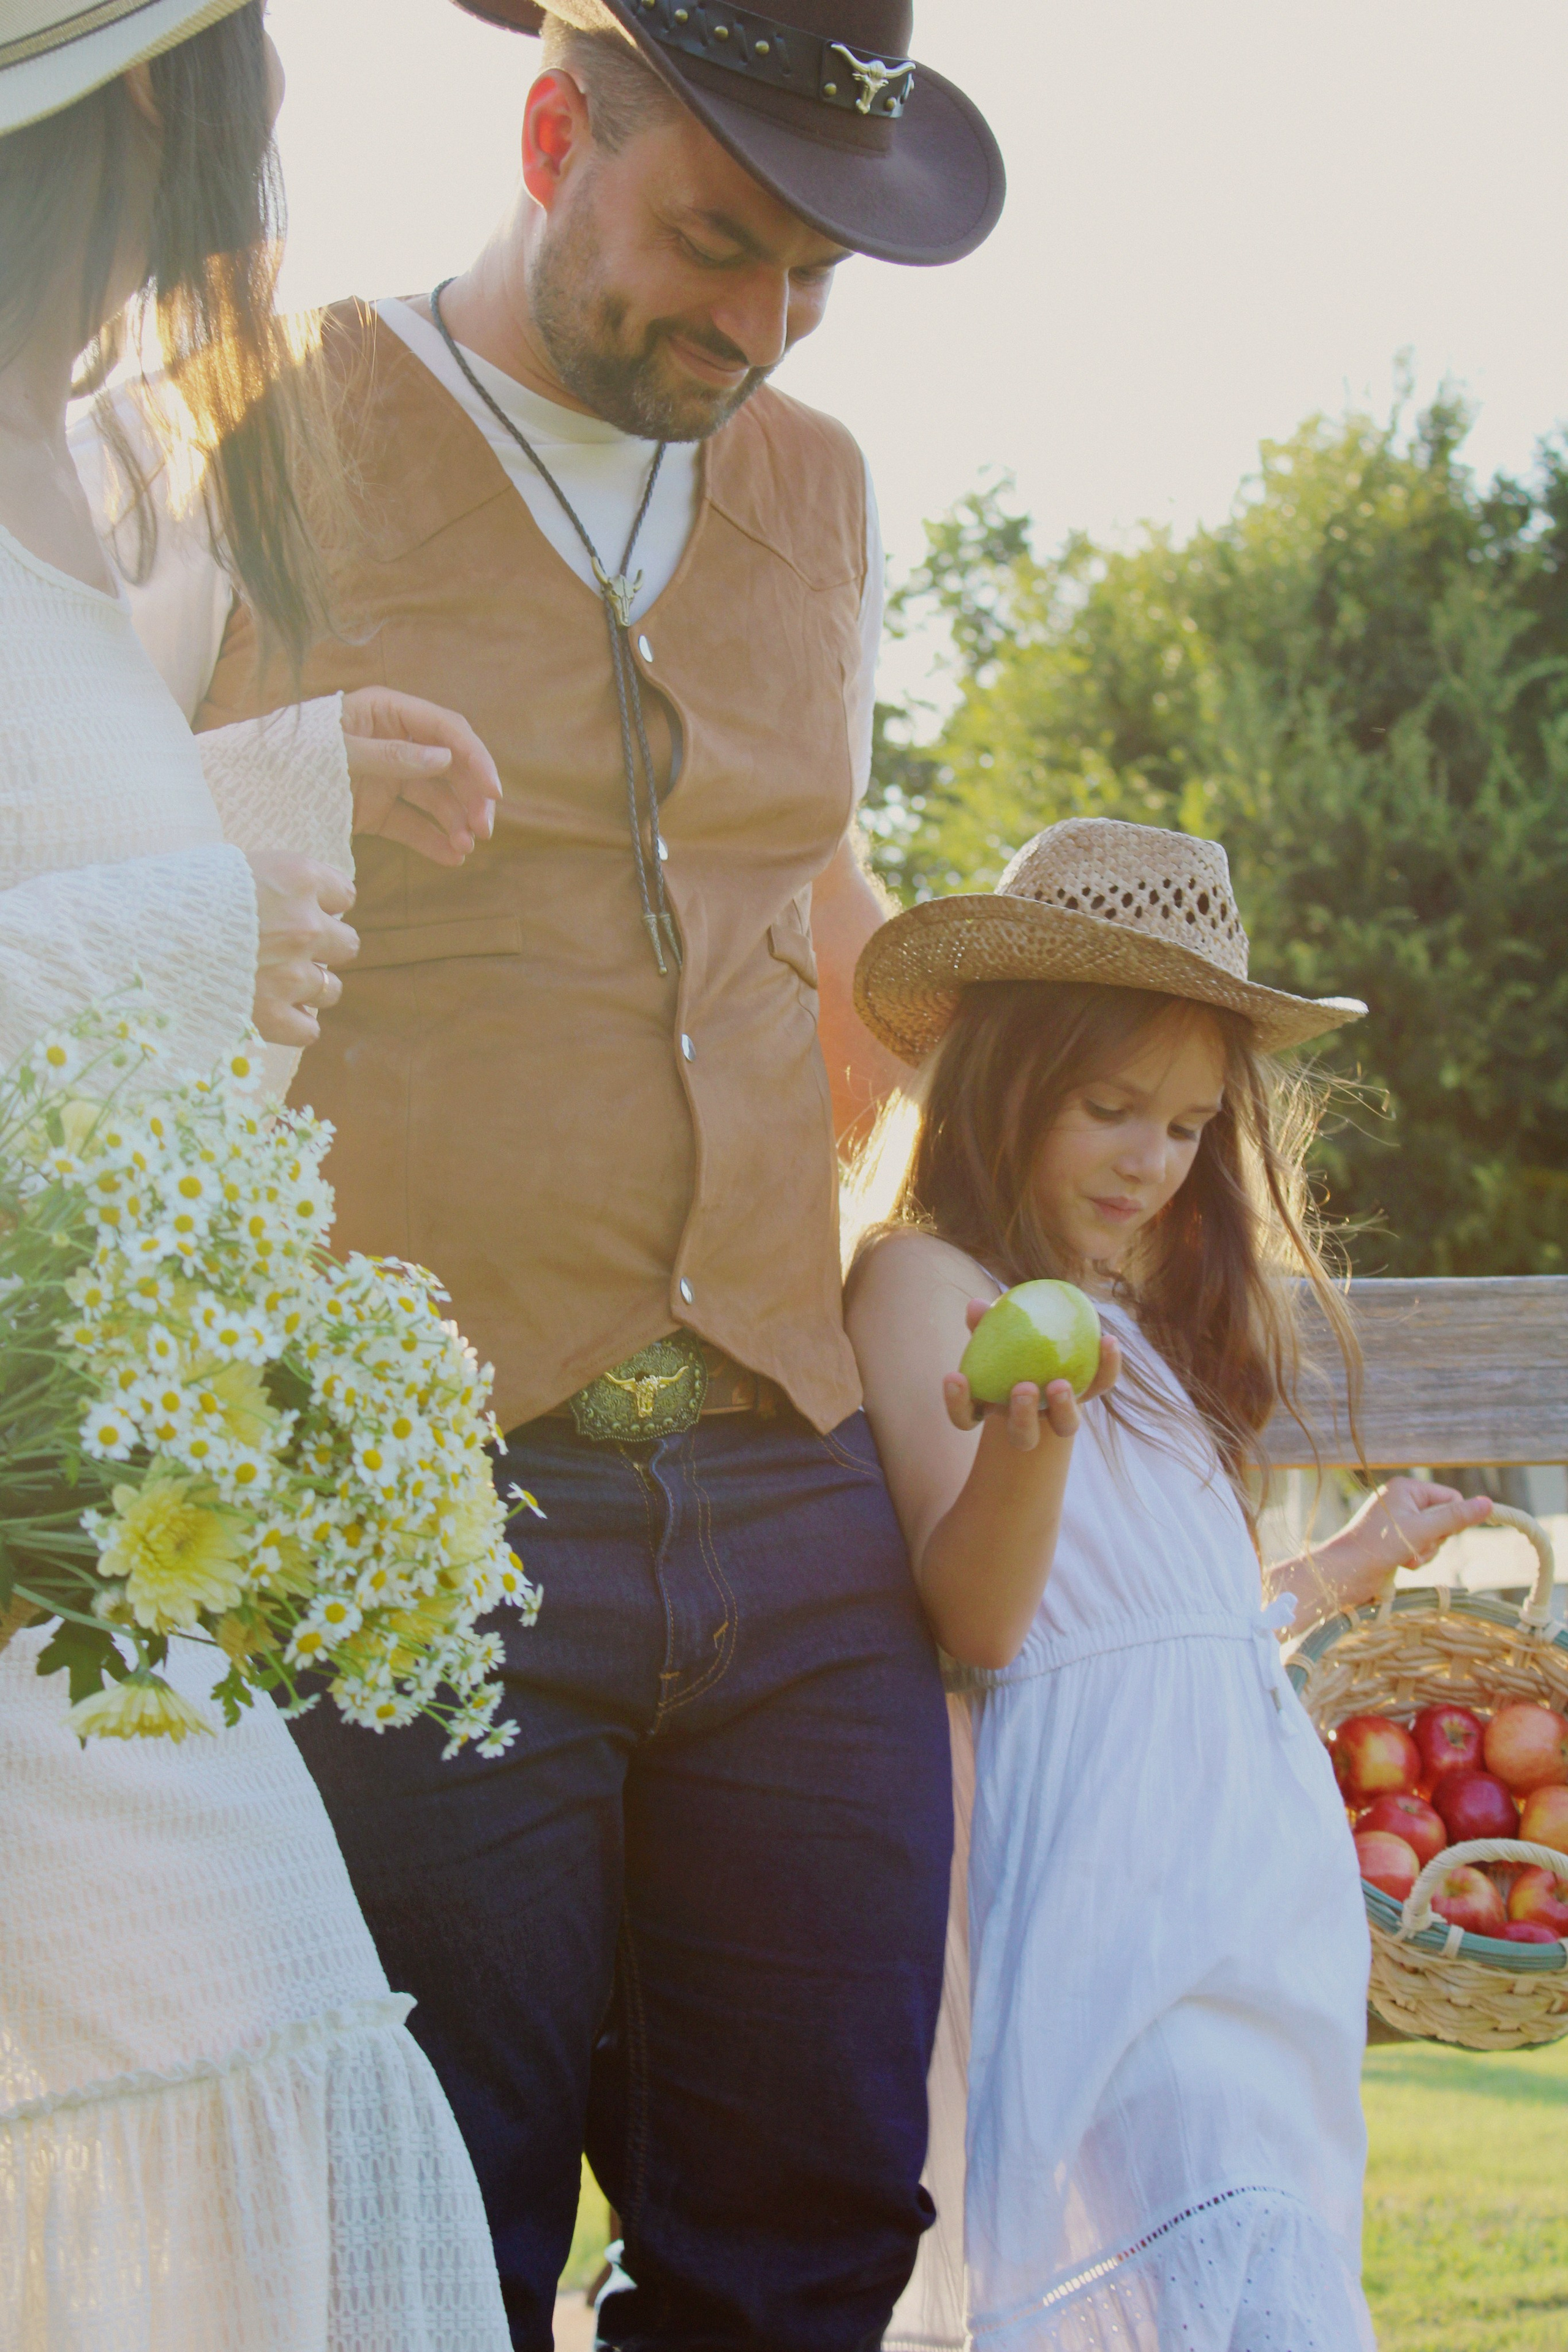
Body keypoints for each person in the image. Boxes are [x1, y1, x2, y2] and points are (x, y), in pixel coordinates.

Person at [195, 3, 1005, 2345]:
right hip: (414, 1508)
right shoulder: (264, 428)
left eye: (809, 286)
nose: (751, 330)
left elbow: (798, 885)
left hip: (789, 1486)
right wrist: (274, 775)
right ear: (554, 132)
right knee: (438, 2241)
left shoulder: (824, 486)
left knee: (819, 2223)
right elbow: (84, 852)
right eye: (713, 246)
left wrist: (1051, 1112)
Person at [0, 7, 513, 2345]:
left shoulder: (86, 470)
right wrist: (197, 912)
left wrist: (260, 791)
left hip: (82, 1544)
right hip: (35, 1601)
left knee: (252, 2121)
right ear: (133, 106)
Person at [845, 817, 1493, 2352]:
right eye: (1109, 1108)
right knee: (1183, 2253)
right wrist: (1023, 1449)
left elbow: (1177, 1625)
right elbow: (990, 1620)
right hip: (1099, 1875)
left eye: (1190, 1126)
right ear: (1002, 1090)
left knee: (1254, 2232)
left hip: (1247, 1882)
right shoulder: (926, 1285)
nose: (1151, 1161)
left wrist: (1338, 1567)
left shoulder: (1133, 1335)